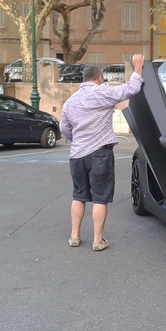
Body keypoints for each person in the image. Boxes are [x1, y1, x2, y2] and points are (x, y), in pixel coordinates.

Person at [60, 54, 145, 251]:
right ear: (99, 78)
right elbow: (131, 89)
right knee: (100, 198)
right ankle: (97, 240)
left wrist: (77, 141)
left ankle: (74, 236)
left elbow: (64, 128)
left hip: (77, 155)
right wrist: (138, 67)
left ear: (83, 79)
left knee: (78, 195)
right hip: (99, 154)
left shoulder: (70, 102)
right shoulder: (103, 93)